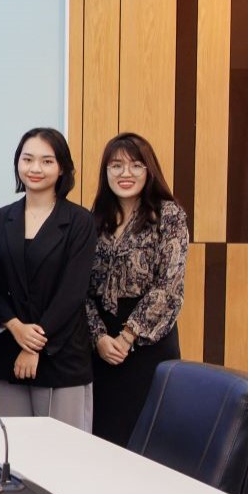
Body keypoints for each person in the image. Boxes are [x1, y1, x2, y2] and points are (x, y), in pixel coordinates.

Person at [0, 128, 96, 432]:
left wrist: (33, 346)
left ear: (62, 169)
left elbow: (72, 292)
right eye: (27, 159)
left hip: (61, 356)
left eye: (47, 161)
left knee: (62, 459)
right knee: (9, 456)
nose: (35, 168)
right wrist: (15, 327)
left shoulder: (80, 221)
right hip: (8, 354)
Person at [86, 132, 188, 445]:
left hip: (148, 342)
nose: (125, 173)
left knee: (148, 440)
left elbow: (168, 286)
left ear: (149, 170)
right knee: (104, 437)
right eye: (116, 166)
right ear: (106, 172)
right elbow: (81, 289)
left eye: (135, 165)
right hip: (101, 345)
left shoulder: (168, 215)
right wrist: (100, 337)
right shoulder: (95, 219)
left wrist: (127, 336)